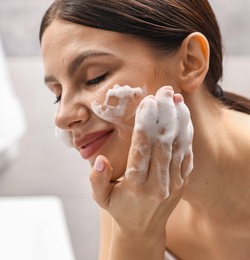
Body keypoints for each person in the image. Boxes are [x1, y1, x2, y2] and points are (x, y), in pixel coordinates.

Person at [39, 0, 250, 259]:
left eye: (95, 77)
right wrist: (135, 233)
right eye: (58, 95)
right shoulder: (132, 189)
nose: (62, 117)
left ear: (190, 62)